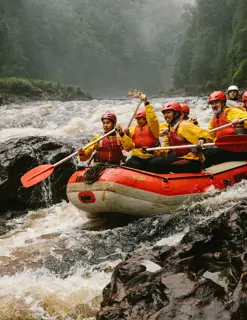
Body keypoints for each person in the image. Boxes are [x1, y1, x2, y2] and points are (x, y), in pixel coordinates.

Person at [148, 102, 211, 174]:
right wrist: (154, 152)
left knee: (155, 163)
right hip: (181, 158)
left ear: (176, 114)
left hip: (192, 161)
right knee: (153, 160)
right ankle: (169, 180)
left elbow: (205, 133)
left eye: (168, 112)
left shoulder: (184, 125)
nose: (166, 115)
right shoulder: (170, 128)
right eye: (164, 113)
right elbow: (167, 150)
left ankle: (168, 181)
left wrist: (202, 139)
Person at [203, 91, 247, 167]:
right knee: (201, 152)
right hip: (224, 148)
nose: (214, 105)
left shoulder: (232, 111)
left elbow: (245, 117)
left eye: (216, 102)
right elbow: (209, 135)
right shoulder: (214, 118)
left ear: (223, 103)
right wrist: (202, 139)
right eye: (212, 103)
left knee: (209, 153)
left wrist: (241, 122)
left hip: (239, 150)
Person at [124, 94, 160, 171]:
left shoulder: (152, 128)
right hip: (137, 157)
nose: (138, 121)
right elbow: (127, 146)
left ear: (146, 119)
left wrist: (146, 102)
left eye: (141, 119)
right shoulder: (132, 129)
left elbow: (153, 119)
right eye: (137, 119)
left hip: (151, 156)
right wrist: (125, 134)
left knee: (154, 165)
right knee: (130, 163)